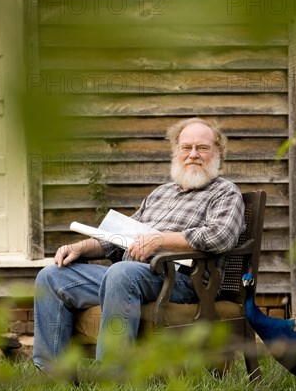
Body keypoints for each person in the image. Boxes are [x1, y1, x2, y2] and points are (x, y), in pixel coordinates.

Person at [33, 117, 245, 373]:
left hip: (185, 280)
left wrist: (160, 239)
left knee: (122, 272)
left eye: (202, 148)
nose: (193, 155)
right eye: (186, 147)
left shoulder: (225, 192)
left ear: (218, 151)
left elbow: (219, 236)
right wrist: (81, 247)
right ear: (175, 151)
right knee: (52, 276)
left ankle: (112, 378)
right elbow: (118, 238)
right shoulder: (160, 193)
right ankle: (53, 375)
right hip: (132, 273)